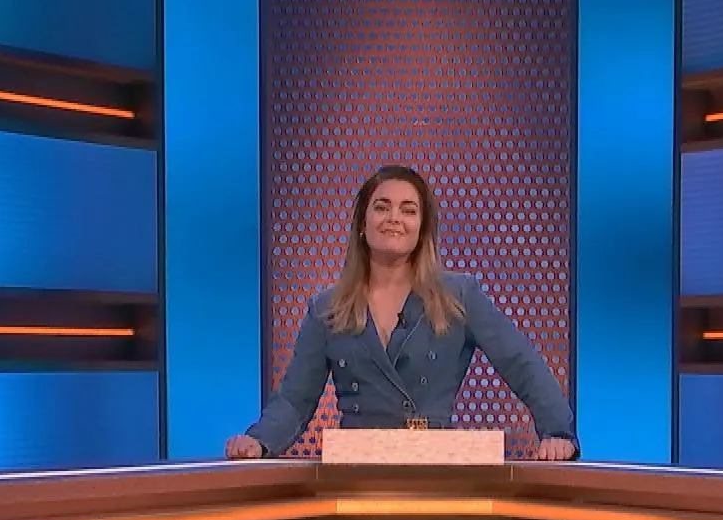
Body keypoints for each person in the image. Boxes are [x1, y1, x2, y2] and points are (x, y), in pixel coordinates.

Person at [227, 165, 578, 460]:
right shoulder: (328, 308)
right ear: (362, 223)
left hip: (436, 468)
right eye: (382, 207)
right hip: (356, 470)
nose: (394, 218)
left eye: (408, 210)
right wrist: (259, 441)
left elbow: (522, 364)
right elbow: (294, 400)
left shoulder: (458, 296)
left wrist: (558, 433)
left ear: (422, 229)